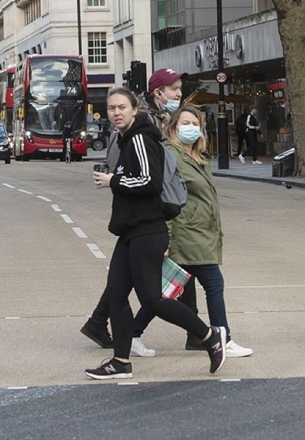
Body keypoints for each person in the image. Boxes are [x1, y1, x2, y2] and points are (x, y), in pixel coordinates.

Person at [86, 88, 227, 379]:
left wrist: (115, 180)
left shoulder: (139, 137)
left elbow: (150, 181)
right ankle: (121, 362)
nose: (116, 113)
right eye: (111, 108)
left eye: (122, 107)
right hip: (131, 230)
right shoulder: (128, 137)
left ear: (134, 109)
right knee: (116, 295)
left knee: (152, 299)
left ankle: (209, 336)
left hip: (146, 230)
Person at [81, 68, 201, 350]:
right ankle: (201, 335)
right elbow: (142, 173)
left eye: (179, 88)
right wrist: (118, 180)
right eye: (173, 88)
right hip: (148, 214)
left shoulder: (159, 119)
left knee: (131, 280)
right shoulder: (143, 125)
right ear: (158, 92)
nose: (178, 94)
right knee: (150, 287)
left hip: (146, 214)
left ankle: (104, 326)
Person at [128, 104, 253, 358]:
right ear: (173, 127)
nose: (191, 128)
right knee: (213, 283)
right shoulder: (169, 154)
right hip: (186, 233)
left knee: (165, 291)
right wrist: (168, 238)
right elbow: (166, 198)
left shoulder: (199, 157)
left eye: (195, 124)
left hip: (201, 232)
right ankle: (223, 339)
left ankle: (131, 333)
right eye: (185, 123)